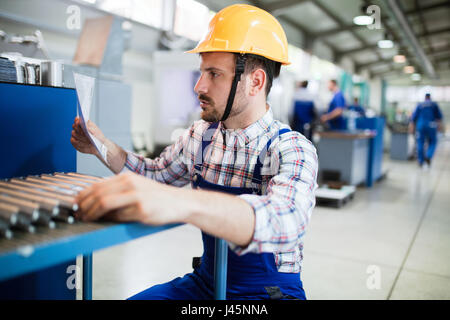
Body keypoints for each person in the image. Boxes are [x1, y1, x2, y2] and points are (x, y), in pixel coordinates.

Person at [71, 4, 318, 300]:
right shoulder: (200, 137)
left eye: (214, 74)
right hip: (207, 285)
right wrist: (101, 146)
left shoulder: (292, 149)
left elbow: (286, 220)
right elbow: (156, 176)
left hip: (268, 293)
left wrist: (183, 203)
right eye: (202, 72)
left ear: (255, 81)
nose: (199, 86)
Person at [409, 93, 443, 168]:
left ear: (425, 98)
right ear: (430, 97)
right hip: (432, 125)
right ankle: (428, 156)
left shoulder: (420, 105)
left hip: (421, 125)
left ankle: (421, 161)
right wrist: (440, 126)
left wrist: (412, 127)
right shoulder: (434, 104)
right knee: (433, 142)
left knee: (420, 142)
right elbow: (439, 117)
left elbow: (413, 117)